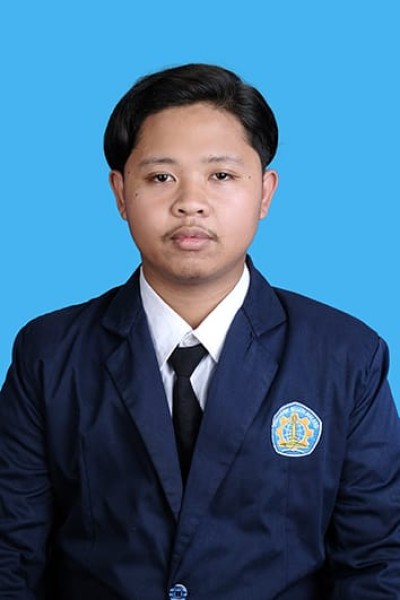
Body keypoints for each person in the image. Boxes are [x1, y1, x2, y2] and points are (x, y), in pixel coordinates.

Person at [0, 63, 399, 600]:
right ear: (120, 193)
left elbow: (377, 560)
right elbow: (12, 554)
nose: (191, 202)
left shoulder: (346, 355)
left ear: (265, 193)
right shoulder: (49, 354)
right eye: (161, 177)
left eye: (222, 176)